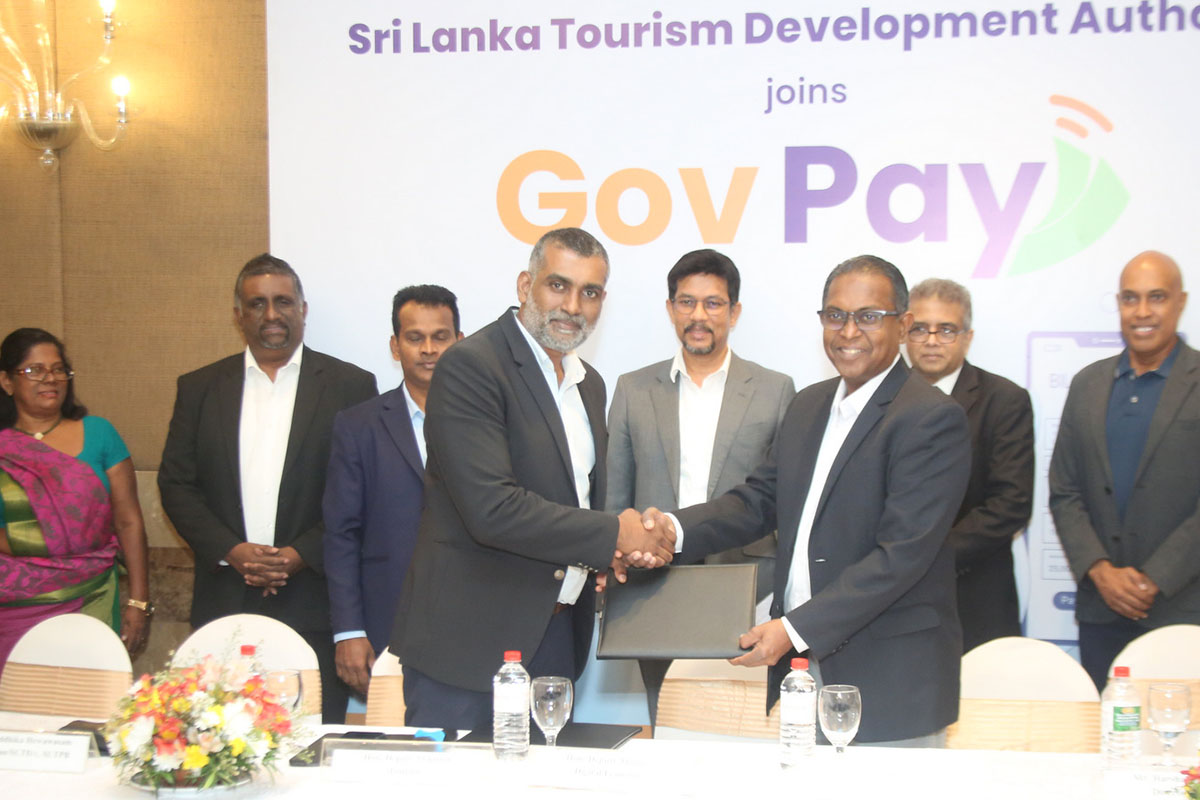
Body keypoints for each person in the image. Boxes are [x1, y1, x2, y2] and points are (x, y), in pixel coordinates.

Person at [666, 255, 971, 745]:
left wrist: (793, 628)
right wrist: (671, 530)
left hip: (890, 680)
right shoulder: (809, 404)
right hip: (802, 668)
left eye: (868, 316)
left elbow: (902, 556)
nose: (848, 331)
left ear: (903, 325)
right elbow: (759, 501)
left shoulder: (931, 418)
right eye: (835, 315)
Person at [389, 227, 675, 731]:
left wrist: (610, 550)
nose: (573, 306)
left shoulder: (588, 384)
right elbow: (492, 509)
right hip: (467, 650)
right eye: (558, 285)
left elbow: (575, 501)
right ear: (526, 286)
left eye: (590, 292)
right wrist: (616, 533)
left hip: (555, 638)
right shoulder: (472, 366)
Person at [158, 254, 377, 722]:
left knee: (312, 740)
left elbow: (363, 492)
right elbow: (176, 484)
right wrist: (231, 550)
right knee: (218, 739)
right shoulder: (199, 388)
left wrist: (301, 553)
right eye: (257, 304)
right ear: (238, 315)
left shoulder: (350, 386)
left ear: (303, 309)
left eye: (283, 302)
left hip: (315, 601)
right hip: (224, 600)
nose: (271, 314)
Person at [606, 248, 794, 722]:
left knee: (741, 724)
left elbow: (784, 501)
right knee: (657, 714)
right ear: (671, 309)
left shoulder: (775, 390)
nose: (699, 316)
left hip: (747, 586)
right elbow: (616, 498)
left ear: (734, 311)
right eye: (687, 302)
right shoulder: (632, 389)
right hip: (652, 583)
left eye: (713, 303)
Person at [1050, 250, 1198, 690]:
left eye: (1157, 297)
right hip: (1101, 609)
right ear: (1118, 304)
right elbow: (1064, 490)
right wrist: (1100, 570)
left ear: (1180, 302)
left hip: (1183, 607)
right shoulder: (1087, 384)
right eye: (1131, 298)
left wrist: (1157, 578)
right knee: (1103, 728)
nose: (1143, 311)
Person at [323, 284, 463, 706]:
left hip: (472, 623)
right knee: (393, 738)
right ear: (395, 345)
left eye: (440, 337)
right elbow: (341, 534)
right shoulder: (358, 426)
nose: (428, 349)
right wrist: (349, 631)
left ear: (459, 342)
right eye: (415, 337)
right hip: (387, 622)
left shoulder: (492, 422)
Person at [0, 328, 151, 675]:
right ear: (7, 382)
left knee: (87, 696)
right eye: (34, 370)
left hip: (91, 597)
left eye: (58, 369)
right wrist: (36, 543)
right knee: (19, 701)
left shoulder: (98, 433)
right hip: (13, 606)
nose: (49, 378)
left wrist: (139, 601)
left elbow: (128, 521)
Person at [905, 279, 1034, 653]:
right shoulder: (879, 399)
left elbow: (1010, 504)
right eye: (920, 329)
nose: (932, 341)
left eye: (946, 330)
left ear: (967, 337)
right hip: (889, 600)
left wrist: (922, 557)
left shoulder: (1004, 400)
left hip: (975, 597)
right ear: (903, 333)